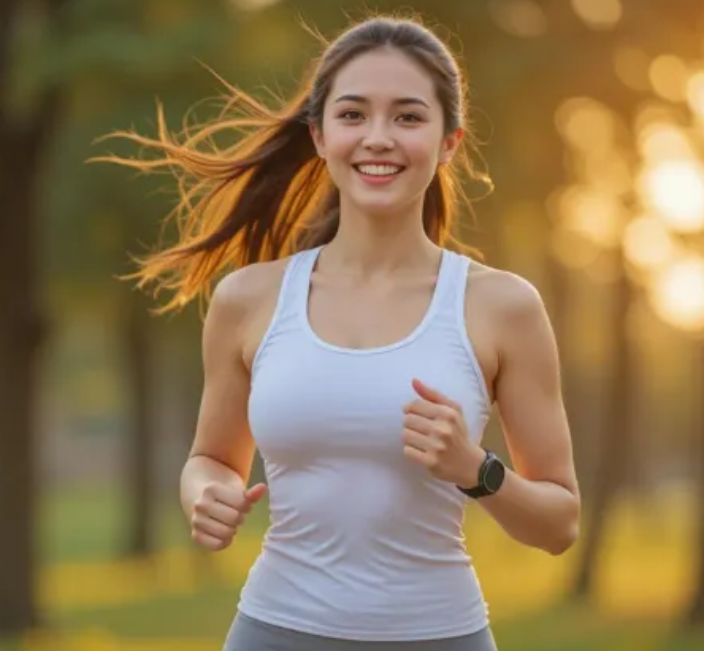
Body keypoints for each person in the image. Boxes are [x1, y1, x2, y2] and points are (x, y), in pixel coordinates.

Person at [102, 13, 580, 651]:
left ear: (449, 143)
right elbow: (212, 459)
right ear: (320, 136)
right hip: (275, 632)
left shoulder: (501, 307)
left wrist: (475, 468)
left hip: (440, 636)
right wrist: (206, 496)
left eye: (408, 117)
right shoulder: (248, 300)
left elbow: (560, 524)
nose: (378, 137)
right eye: (353, 115)